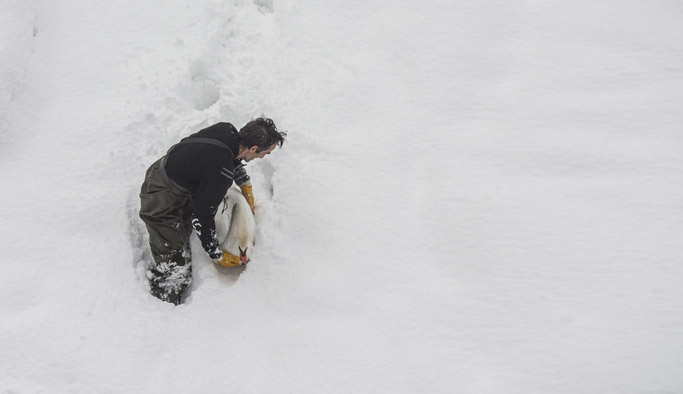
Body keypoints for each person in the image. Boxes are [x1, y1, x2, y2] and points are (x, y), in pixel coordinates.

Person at [139, 118, 286, 304]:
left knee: (209, 199)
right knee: (176, 271)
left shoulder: (226, 130)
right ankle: (162, 306)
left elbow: (224, 158)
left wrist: (244, 183)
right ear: (254, 148)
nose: (264, 157)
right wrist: (215, 252)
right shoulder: (221, 172)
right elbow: (202, 218)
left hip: (165, 170)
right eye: (265, 153)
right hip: (160, 200)